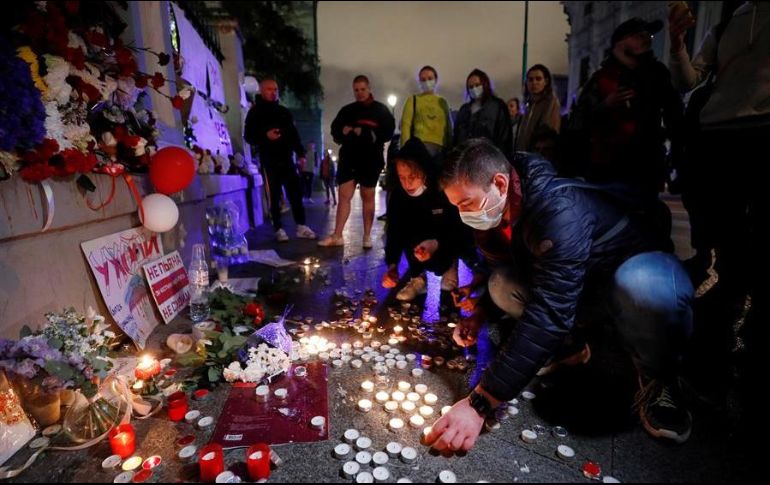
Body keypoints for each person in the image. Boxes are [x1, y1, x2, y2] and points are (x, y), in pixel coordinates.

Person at [426, 139, 694, 453]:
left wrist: (480, 404)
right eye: (456, 206)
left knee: (644, 289)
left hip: (633, 269)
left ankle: (659, 377)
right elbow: (521, 274)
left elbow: (549, 310)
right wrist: (480, 313)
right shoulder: (500, 209)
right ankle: (571, 347)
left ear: (498, 183)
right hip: (580, 287)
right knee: (501, 284)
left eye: (466, 204)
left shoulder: (559, 211)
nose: (463, 215)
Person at [668, 1, 769, 431]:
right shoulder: (732, 19)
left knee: (755, 267)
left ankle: (749, 374)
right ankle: (709, 369)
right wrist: (677, 44)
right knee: (722, 264)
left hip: (763, 139)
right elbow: (690, 79)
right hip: (719, 144)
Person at [568, 18, 684, 252]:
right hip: (606, 167)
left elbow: (674, 113)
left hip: (645, 164)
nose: (646, 38)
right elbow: (577, 122)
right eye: (638, 34)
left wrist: (678, 152)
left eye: (648, 35)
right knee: (607, 219)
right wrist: (605, 105)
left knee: (646, 221)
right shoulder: (601, 78)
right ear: (620, 43)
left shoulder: (656, 74)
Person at [382, 138, 472, 301]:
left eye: (412, 176)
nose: (407, 183)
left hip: (442, 242)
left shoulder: (441, 190)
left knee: (447, 285)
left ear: (423, 170)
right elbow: (394, 231)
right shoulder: (398, 196)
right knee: (404, 230)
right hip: (416, 245)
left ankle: (449, 267)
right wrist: (392, 266)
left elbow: (458, 229)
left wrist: (436, 243)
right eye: (402, 177)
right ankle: (418, 277)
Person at [319, 75, 395, 249]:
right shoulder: (347, 110)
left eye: (362, 89)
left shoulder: (381, 110)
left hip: (370, 160)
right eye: (356, 90)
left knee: (367, 196)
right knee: (344, 196)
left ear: (369, 88)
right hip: (349, 159)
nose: (360, 93)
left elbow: (387, 131)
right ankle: (337, 235)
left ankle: (366, 236)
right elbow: (335, 130)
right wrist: (343, 132)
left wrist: (367, 132)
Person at [244, 78, 316, 242]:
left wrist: (301, 153)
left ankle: (301, 226)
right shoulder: (255, 112)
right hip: (269, 159)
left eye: (275, 89)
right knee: (274, 195)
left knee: (295, 193)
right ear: (261, 91)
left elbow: (293, 134)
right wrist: (265, 136)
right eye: (269, 89)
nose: (273, 92)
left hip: (287, 158)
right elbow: (249, 136)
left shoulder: (284, 111)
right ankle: (278, 228)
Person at [400, 65, 453, 170]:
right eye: (423, 79)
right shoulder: (413, 100)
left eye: (430, 78)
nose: (427, 82)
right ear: (419, 82)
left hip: (441, 151)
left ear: (436, 80)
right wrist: (405, 153)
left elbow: (448, 128)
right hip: (420, 149)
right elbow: (406, 126)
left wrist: (451, 151)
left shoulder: (443, 102)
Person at [453, 69, 512, 159]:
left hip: (489, 160)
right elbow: (456, 136)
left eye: (477, 85)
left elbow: (504, 136)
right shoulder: (464, 110)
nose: (474, 89)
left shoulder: (497, 106)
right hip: (465, 160)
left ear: (485, 84)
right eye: (471, 87)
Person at [515, 65, 561, 159]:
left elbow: (549, 132)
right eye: (530, 80)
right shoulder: (528, 105)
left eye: (538, 79)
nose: (534, 83)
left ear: (546, 81)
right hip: (523, 157)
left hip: (539, 158)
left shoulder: (551, 102)